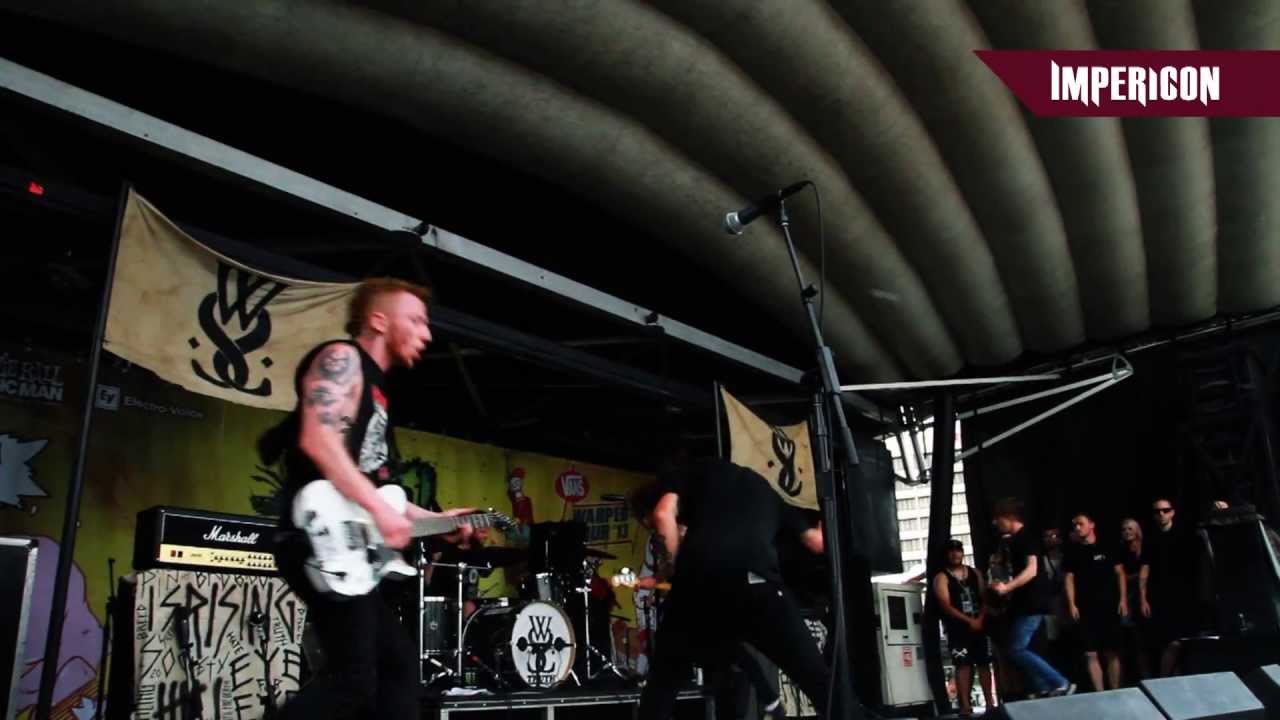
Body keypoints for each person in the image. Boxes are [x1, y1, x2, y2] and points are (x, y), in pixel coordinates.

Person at [264, 277, 477, 720]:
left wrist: (439, 520)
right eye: (415, 320)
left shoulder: (378, 395)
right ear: (378, 320)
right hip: (314, 534)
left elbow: (378, 490)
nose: (427, 333)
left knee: (395, 669)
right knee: (353, 681)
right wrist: (381, 509)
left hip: (344, 542)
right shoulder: (341, 359)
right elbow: (318, 440)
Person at [633, 458, 869, 720]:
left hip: (698, 585)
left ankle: (763, 700)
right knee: (819, 681)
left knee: (661, 689)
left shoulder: (691, 470)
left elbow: (663, 514)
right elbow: (818, 542)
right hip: (759, 586)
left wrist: (673, 570)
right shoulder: (770, 493)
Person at [988, 497, 1074, 699]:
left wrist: (1006, 587)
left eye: (997, 518)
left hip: (1032, 603)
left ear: (1009, 518)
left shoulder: (1025, 538)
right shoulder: (1016, 540)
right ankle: (1042, 686)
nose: (994, 523)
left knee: (1017, 649)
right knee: (1022, 647)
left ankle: (1059, 682)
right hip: (1025, 603)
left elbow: (1032, 570)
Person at [1063, 513, 1126, 692]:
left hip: (1109, 605)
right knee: (1090, 653)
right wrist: (1072, 604)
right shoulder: (1073, 552)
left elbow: (1120, 573)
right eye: (1074, 525)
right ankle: (1100, 693)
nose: (1077, 528)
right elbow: (1069, 578)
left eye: (1080, 524)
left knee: (1111, 651)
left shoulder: (1107, 546)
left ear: (1091, 525)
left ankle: (1115, 691)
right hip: (1085, 608)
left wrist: (1122, 600)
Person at [933, 539, 996, 717]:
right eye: (951, 551)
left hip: (980, 625)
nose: (955, 554)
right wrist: (968, 621)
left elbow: (985, 597)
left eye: (958, 550)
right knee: (963, 665)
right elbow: (945, 604)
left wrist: (980, 618)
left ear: (962, 552)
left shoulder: (975, 573)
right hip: (957, 629)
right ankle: (965, 705)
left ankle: (990, 703)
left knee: (984, 663)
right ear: (947, 554)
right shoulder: (942, 577)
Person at [1140, 497, 1200, 677]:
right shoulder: (1150, 539)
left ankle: (1172, 679)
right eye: (1157, 511)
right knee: (1168, 641)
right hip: (1160, 596)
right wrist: (1143, 598)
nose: (1161, 514)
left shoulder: (1184, 534)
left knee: (1181, 641)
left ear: (1172, 512)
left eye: (1165, 510)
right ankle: (1164, 680)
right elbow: (1145, 568)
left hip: (1184, 595)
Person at [1119, 518, 1150, 680]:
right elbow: (1120, 575)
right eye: (1124, 529)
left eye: (1130, 529)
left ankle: (1147, 676)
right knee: (1130, 640)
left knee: (1143, 641)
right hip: (1128, 596)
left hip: (1143, 595)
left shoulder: (1145, 548)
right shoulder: (1121, 551)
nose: (1127, 532)